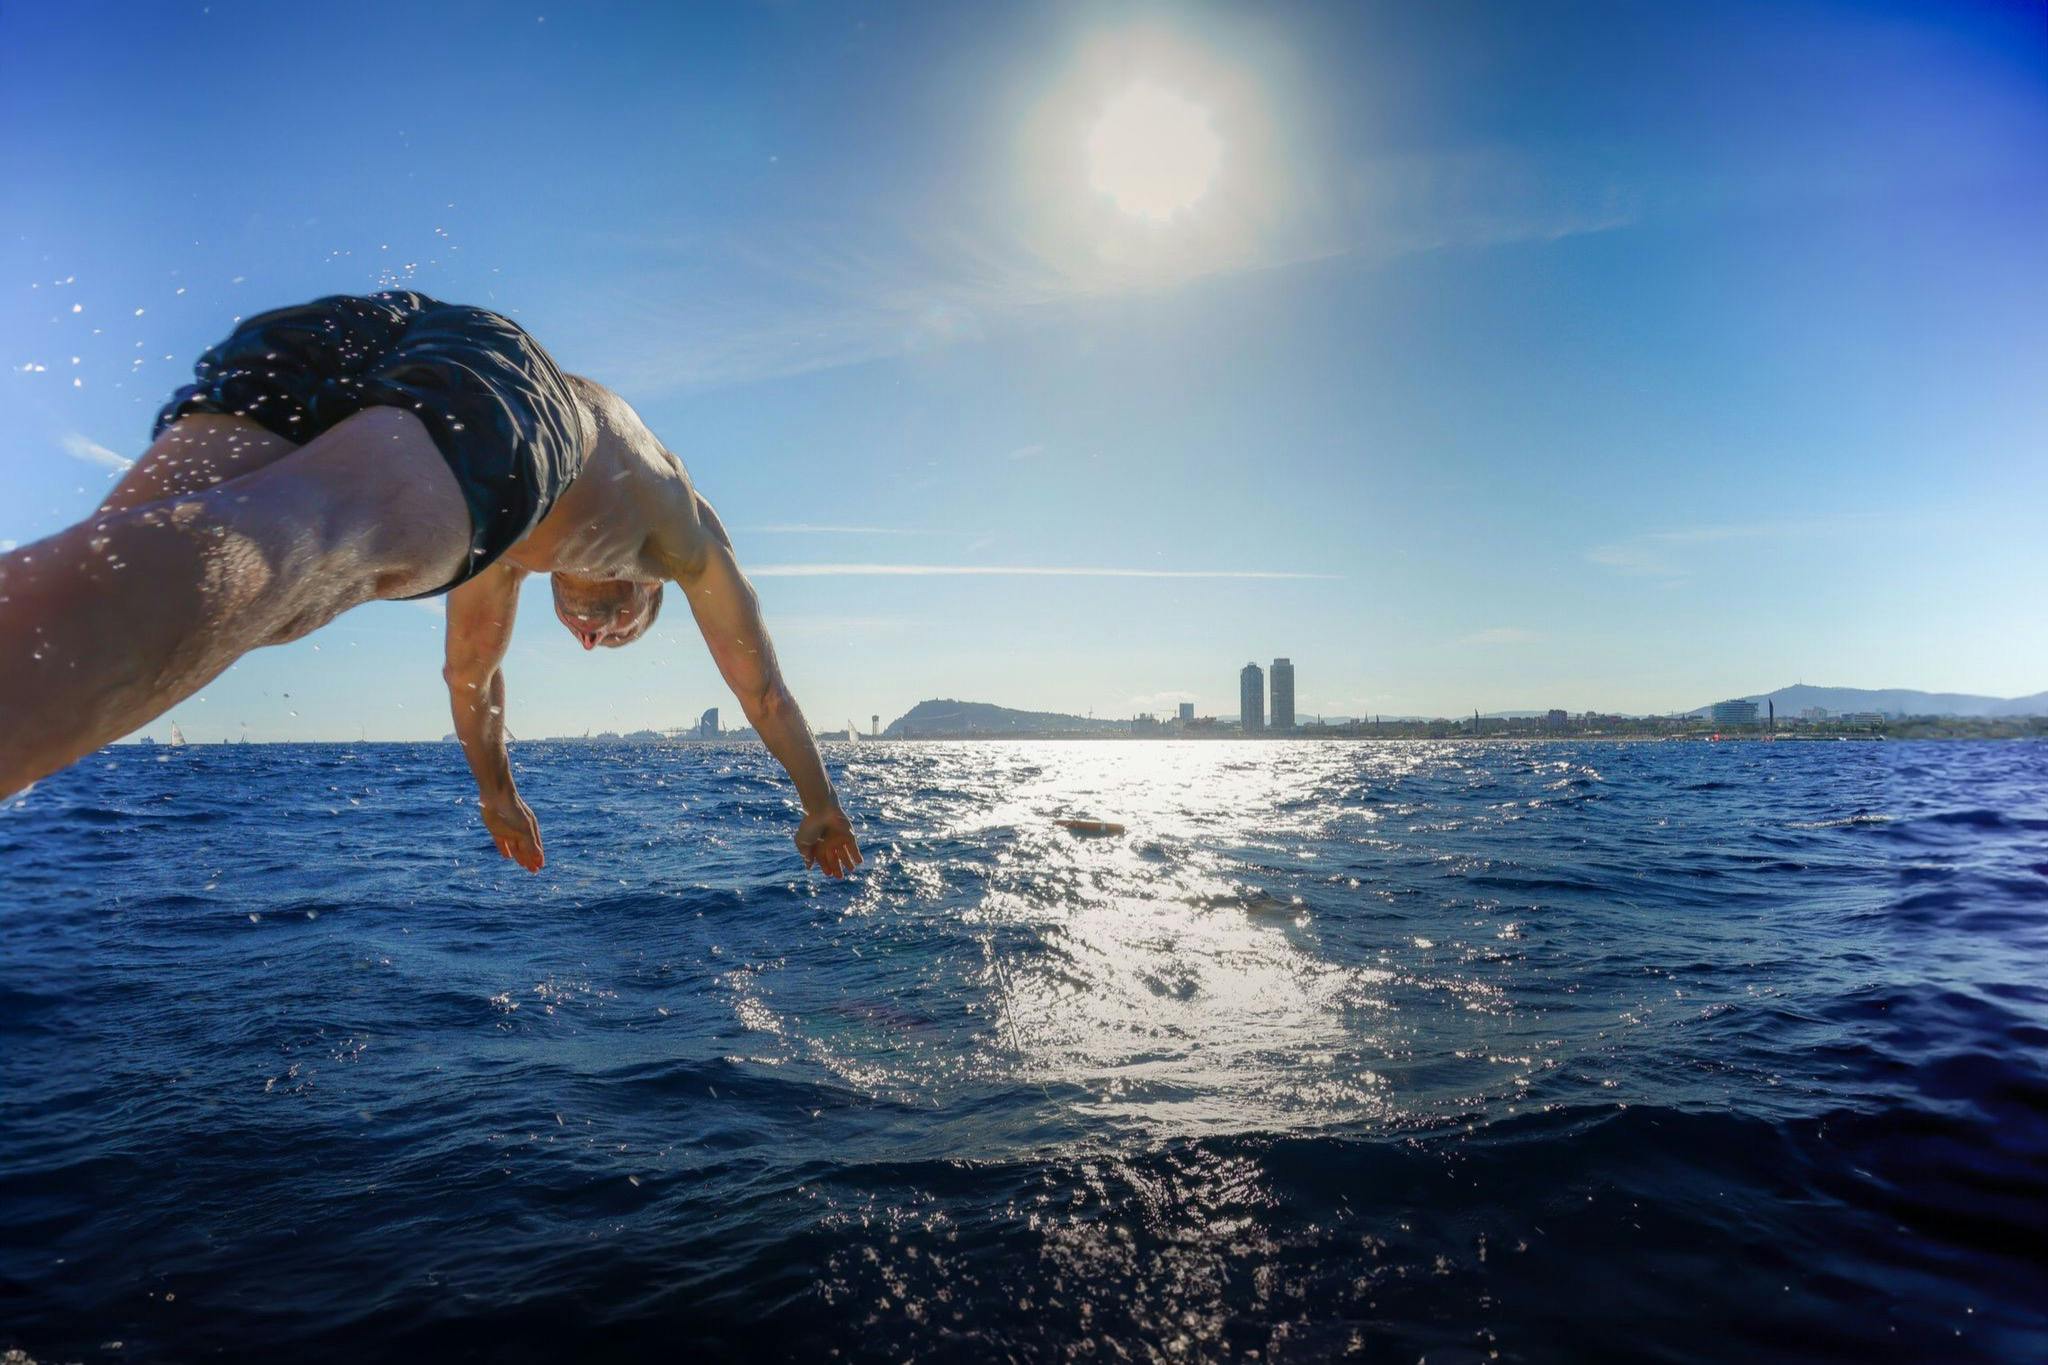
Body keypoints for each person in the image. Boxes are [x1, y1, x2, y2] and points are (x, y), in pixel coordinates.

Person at [0, 291, 862, 877]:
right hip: (500, 381)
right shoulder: (685, 538)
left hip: (386, 328)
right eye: (610, 628)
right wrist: (819, 802)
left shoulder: (517, 538)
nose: (589, 634)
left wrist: (498, 791)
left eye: (584, 632)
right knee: (303, 559)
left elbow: (472, 674)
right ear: (648, 596)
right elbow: (764, 691)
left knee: (125, 548)